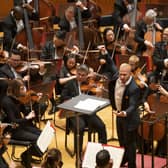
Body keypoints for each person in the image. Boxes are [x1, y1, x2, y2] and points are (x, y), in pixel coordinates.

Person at [60, 64, 107, 161]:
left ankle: (103, 152)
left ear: (87, 75)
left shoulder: (90, 84)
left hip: (88, 112)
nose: (80, 77)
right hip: (74, 113)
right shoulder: (70, 84)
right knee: (80, 128)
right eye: (79, 74)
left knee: (102, 126)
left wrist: (99, 94)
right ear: (76, 73)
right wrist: (76, 99)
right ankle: (79, 155)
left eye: (83, 75)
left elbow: (96, 100)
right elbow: (63, 97)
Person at [1, 79, 43, 168]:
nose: (24, 90)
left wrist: (35, 102)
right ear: (15, 90)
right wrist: (27, 117)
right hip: (11, 130)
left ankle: (27, 155)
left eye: (24, 87)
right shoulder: (6, 102)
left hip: (21, 126)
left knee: (43, 134)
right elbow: (13, 121)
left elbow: (27, 112)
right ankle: (25, 157)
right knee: (38, 139)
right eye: (21, 88)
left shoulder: (18, 99)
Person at [108, 63, 140, 168]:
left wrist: (125, 113)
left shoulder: (134, 88)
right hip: (119, 115)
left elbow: (133, 105)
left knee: (130, 144)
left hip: (130, 118)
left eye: (124, 75)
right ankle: (123, 159)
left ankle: (132, 164)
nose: (121, 77)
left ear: (130, 74)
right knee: (121, 140)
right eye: (120, 74)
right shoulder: (115, 79)